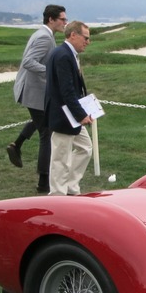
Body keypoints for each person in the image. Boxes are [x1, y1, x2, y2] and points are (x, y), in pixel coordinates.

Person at [9, 4, 67, 193]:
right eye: (62, 19)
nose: (65, 23)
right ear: (51, 19)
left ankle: (17, 145)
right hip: (32, 91)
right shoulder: (44, 37)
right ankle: (44, 181)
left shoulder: (44, 34)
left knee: (42, 120)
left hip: (36, 91)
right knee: (47, 132)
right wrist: (50, 71)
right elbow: (28, 62)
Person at [43, 20, 94, 196]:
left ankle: (71, 187)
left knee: (86, 148)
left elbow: (74, 90)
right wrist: (81, 115)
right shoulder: (63, 55)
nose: (88, 42)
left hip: (71, 115)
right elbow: (67, 91)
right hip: (63, 116)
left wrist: (87, 111)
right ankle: (57, 195)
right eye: (85, 38)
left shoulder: (68, 54)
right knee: (61, 158)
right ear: (73, 35)